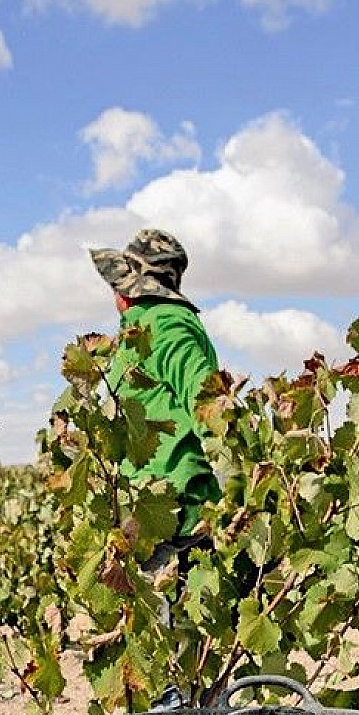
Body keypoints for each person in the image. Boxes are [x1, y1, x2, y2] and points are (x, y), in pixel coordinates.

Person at [88, 227, 223, 565]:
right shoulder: (142, 326)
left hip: (173, 508)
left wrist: (234, 489)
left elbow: (208, 401)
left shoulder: (165, 324)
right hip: (153, 503)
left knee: (161, 611)